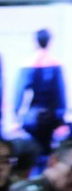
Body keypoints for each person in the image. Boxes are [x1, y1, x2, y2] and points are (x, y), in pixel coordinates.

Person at [12, 32, 67, 161]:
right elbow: (60, 92)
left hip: (33, 114)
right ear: (49, 41)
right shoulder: (55, 63)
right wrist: (61, 116)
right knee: (46, 149)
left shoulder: (28, 63)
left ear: (35, 41)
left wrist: (16, 114)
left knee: (34, 149)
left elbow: (19, 92)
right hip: (50, 114)